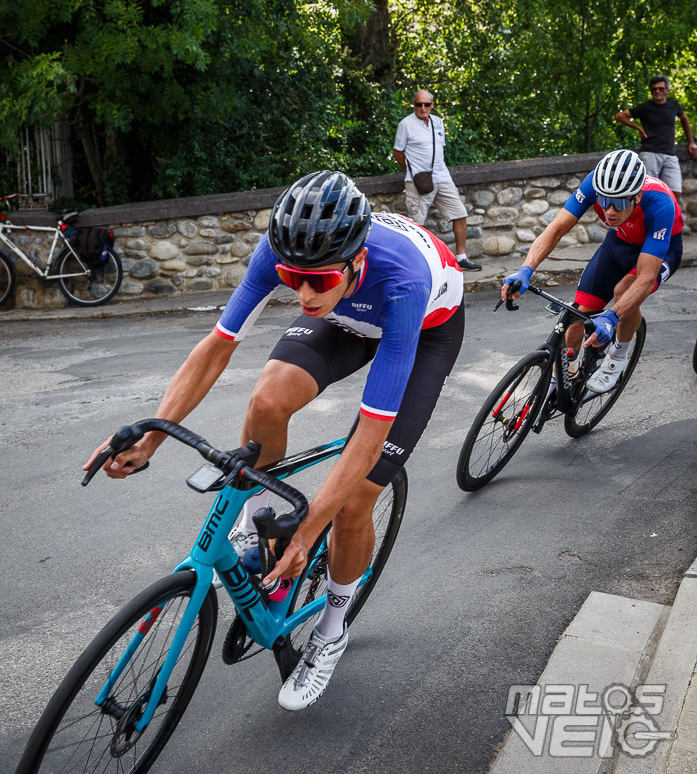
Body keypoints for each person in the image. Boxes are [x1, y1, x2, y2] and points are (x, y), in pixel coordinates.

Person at [84, 171, 465, 710]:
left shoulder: (401, 283)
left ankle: (332, 630)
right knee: (266, 400)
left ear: (355, 261)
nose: (303, 293)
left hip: (423, 332)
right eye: (293, 277)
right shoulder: (286, 252)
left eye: (319, 280)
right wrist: (149, 436)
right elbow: (217, 346)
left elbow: (371, 431)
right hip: (348, 318)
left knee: (356, 499)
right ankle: (254, 522)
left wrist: (307, 532)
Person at [501, 149, 683, 394]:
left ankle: (617, 358)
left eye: (618, 203)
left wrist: (612, 316)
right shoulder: (594, 185)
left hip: (661, 248)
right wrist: (525, 270)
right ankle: (567, 374)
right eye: (603, 201)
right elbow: (554, 230)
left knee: (623, 291)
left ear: (637, 196)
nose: (609, 211)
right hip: (620, 241)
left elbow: (646, 278)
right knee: (576, 319)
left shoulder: (660, 203)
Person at [393, 89, 482, 271]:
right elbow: (398, 153)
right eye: (419, 104)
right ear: (414, 105)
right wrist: (414, 172)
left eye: (427, 104)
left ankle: (462, 258)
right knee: (416, 223)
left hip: (442, 176)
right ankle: (414, 264)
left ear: (432, 105)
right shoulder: (406, 124)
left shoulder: (437, 122)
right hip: (418, 180)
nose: (423, 108)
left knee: (459, 213)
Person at [615, 75, 697, 195]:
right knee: (649, 191)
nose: (657, 91)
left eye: (661, 88)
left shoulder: (674, 105)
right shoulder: (645, 108)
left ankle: (671, 214)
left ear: (667, 91)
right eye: (654, 89)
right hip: (650, 153)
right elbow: (620, 116)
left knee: (675, 192)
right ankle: (649, 214)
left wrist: (691, 142)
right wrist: (638, 128)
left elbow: (684, 118)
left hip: (670, 154)